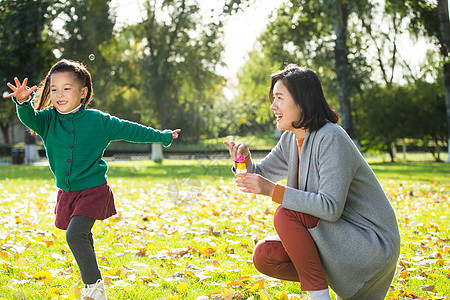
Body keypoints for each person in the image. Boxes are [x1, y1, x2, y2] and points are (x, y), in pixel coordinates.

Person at [6, 59, 181, 300]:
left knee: (75, 235)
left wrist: (161, 136)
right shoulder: (47, 120)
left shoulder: (98, 121)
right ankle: (95, 282)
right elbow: (29, 118)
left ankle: (94, 289)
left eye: (66, 88)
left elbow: (130, 129)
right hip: (68, 193)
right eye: (54, 89)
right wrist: (23, 102)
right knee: (82, 236)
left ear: (83, 92)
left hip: (93, 190)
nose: (59, 94)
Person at [223, 64, 400, 300]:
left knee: (286, 214)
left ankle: (319, 296)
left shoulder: (331, 137)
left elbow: (330, 207)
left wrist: (272, 191)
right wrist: (243, 161)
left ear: (302, 101)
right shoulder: (292, 138)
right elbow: (263, 173)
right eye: (273, 98)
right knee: (265, 255)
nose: (273, 106)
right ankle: (327, 285)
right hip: (338, 239)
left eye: (279, 98)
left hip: (370, 244)